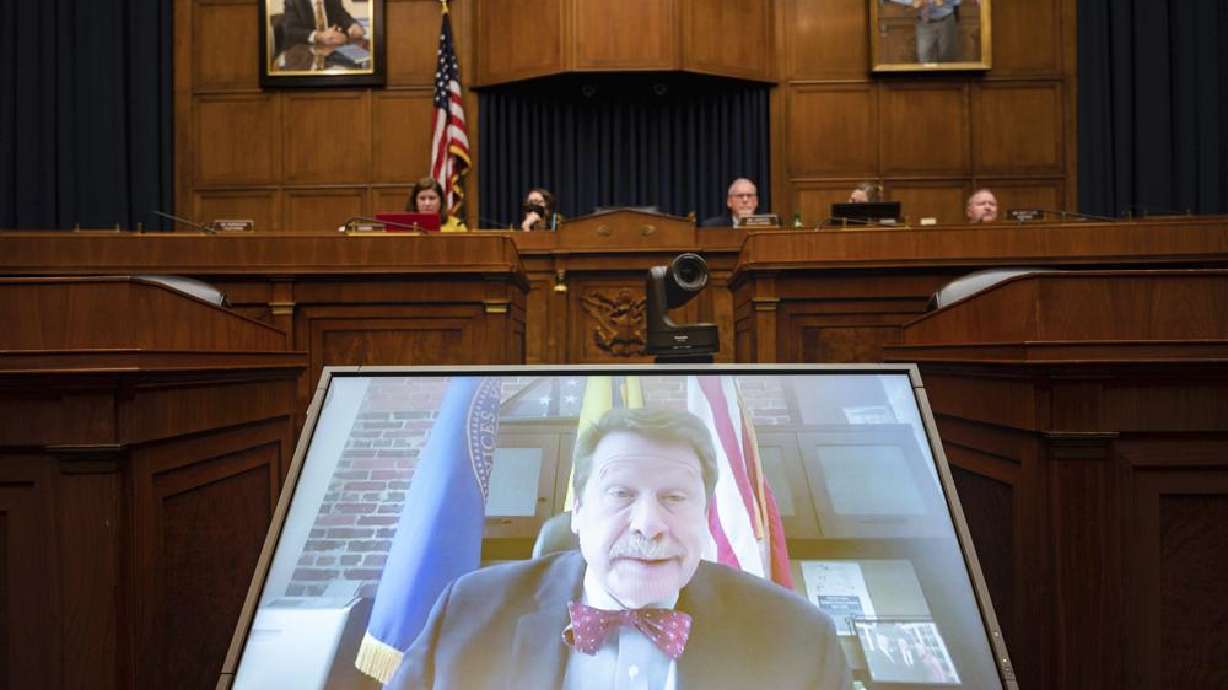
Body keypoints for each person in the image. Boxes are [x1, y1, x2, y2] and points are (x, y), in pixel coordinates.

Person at [387, 408, 851, 690]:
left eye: (675, 497)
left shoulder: (798, 636)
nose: (649, 525)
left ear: (705, 516)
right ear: (578, 510)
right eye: (621, 493)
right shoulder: (469, 609)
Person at [888, 0, 972, 63]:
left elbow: (957, 1)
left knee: (948, 60)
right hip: (924, 23)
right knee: (925, 61)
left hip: (946, 21)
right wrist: (911, 1)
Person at [280, 0, 365, 48]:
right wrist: (319, 36)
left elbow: (343, 16)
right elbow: (290, 31)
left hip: (332, 52)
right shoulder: (293, 1)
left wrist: (353, 25)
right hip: (304, 53)